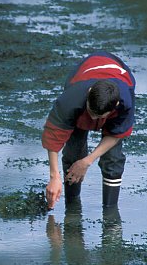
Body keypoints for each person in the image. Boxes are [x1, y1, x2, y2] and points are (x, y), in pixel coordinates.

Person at [42, 51, 136, 209]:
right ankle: (71, 207)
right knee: (73, 153)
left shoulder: (125, 102)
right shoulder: (70, 99)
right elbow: (53, 135)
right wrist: (54, 176)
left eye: (98, 116)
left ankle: (110, 212)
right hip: (82, 77)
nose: (93, 120)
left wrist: (87, 161)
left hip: (118, 80)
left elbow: (116, 134)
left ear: (115, 107)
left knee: (113, 158)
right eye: (91, 113)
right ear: (89, 92)